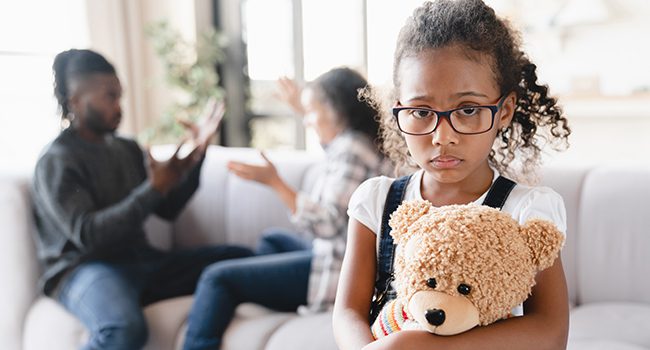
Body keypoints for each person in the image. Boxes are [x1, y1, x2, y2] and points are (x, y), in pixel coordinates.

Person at [332, 1, 572, 349]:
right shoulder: (377, 202)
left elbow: (551, 332)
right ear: (399, 109)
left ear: (503, 111)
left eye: (469, 109)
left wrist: (419, 346)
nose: (442, 136)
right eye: (421, 112)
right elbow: (347, 314)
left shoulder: (529, 211)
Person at [31, 48, 253, 350]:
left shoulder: (126, 148)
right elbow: (89, 234)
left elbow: (167, 210)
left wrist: (197, 156)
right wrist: (153, 189)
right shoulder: (56, 161)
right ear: (76, 102)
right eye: (109, 97)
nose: (119, 106)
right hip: (83, 270)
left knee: (240, 260)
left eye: (120, 95)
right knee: (123, 329)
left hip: (141, 262)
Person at [182, 67, 392, 349]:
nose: (307, 122)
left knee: (217, 278)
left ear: (335, 110)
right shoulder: (361, 143)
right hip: (338, 256)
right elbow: (336, 158)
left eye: (312, 112)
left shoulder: (351, 149)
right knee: (271, 239)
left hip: (338, 267)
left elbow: (328, 224)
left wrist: (275, 183)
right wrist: (304, 108)